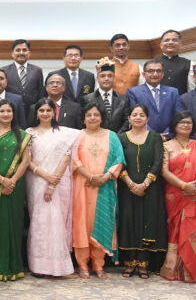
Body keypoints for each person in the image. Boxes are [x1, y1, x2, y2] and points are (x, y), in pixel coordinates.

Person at [159, 111, 196, 283]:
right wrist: (184, 186)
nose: (186, 125)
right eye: (182, 122)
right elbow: (164, 171)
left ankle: (192, 271)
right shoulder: (166, 146)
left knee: (194, 233)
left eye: (189, 122)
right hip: (175, 195)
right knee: (175, 232)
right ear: (175, 125)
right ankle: (174, 270)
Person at [25, 98, 81, 278]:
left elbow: (66, 157)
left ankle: (57, 266)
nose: (44, 113)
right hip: (36, 181)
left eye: (48, 110)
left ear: (54, 113)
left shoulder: (64, 133)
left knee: (56, 222)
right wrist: (44, 175)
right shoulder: (29, 133)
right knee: (39, 222)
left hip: (59, 182)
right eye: (41, 110)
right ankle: (39, 265)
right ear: (36, 113)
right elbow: (27, 160)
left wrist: (52, 182)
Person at [72, 102, 125, 279]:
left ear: (102, 117)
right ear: (84, 118)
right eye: (89, 115)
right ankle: (82, 264)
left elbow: (119, 159)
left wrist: (105, 177)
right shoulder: (77, 136)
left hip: (105, 187)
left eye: (96, 115)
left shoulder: (112, 136)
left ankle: (99, 264)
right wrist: (91, 176)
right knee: (82, 225)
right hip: (82, 186)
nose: (92, 118)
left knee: (102, 222)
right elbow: (74, 160)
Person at [117, 104, 167, 279]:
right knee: (130, 222)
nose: (138, 117)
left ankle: (144, 263)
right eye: (134, 115)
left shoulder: (154, 137)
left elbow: (157, 162)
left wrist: (144, 184)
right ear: (129, 119)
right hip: (126, 189)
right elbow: (119, 162)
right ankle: (130, 263)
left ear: (148, 119)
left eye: (142, 115)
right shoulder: (121, 138)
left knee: (147, 222)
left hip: (150, 189)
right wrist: (131, 184)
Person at [0, 99, 31, 281]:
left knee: (14, 225)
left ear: (13, 114)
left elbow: (26, 160)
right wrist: (2, 180)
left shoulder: (22, 135)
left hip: (16, 186)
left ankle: (14, 267)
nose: (5, 114)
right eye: (2, 111)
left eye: (9, 111)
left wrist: (12, 181)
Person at [126, 61, 184, 135]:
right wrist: (154, 135)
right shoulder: (133, 92)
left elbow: (179, 115)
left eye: (159, 71)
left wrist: (167, 132)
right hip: (144, 137)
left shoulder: (173, 92)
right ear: (144, 74)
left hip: (169, 137)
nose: (155, 74)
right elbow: (133, 117)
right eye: (151, 71)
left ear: (163, 74)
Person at [81, 57, 130, 133]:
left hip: (118, 139)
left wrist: (116, 137)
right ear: (97, 79)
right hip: (95, 138)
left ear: (114, 78)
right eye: (102, 76)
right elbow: (84, 122)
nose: (106, 79)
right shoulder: (87, 99)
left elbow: (127, 120)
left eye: (110, 76)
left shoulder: (123, 99)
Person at [3, 39, 45, 114]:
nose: (21, 53)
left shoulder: (37, 70)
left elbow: (41, 93)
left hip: (32, 111)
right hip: (11, 111)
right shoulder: (4, 70)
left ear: (29, 53)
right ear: (12, 53)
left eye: (24, 50)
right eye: (18, 50)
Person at [153, 29, 194, 95]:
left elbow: (191, 89)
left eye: (174, 40)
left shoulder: (189, 64)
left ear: (180, 44)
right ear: (161, 45)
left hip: (181, 103)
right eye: (167, 40)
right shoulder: (151, 63)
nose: (170, 42)